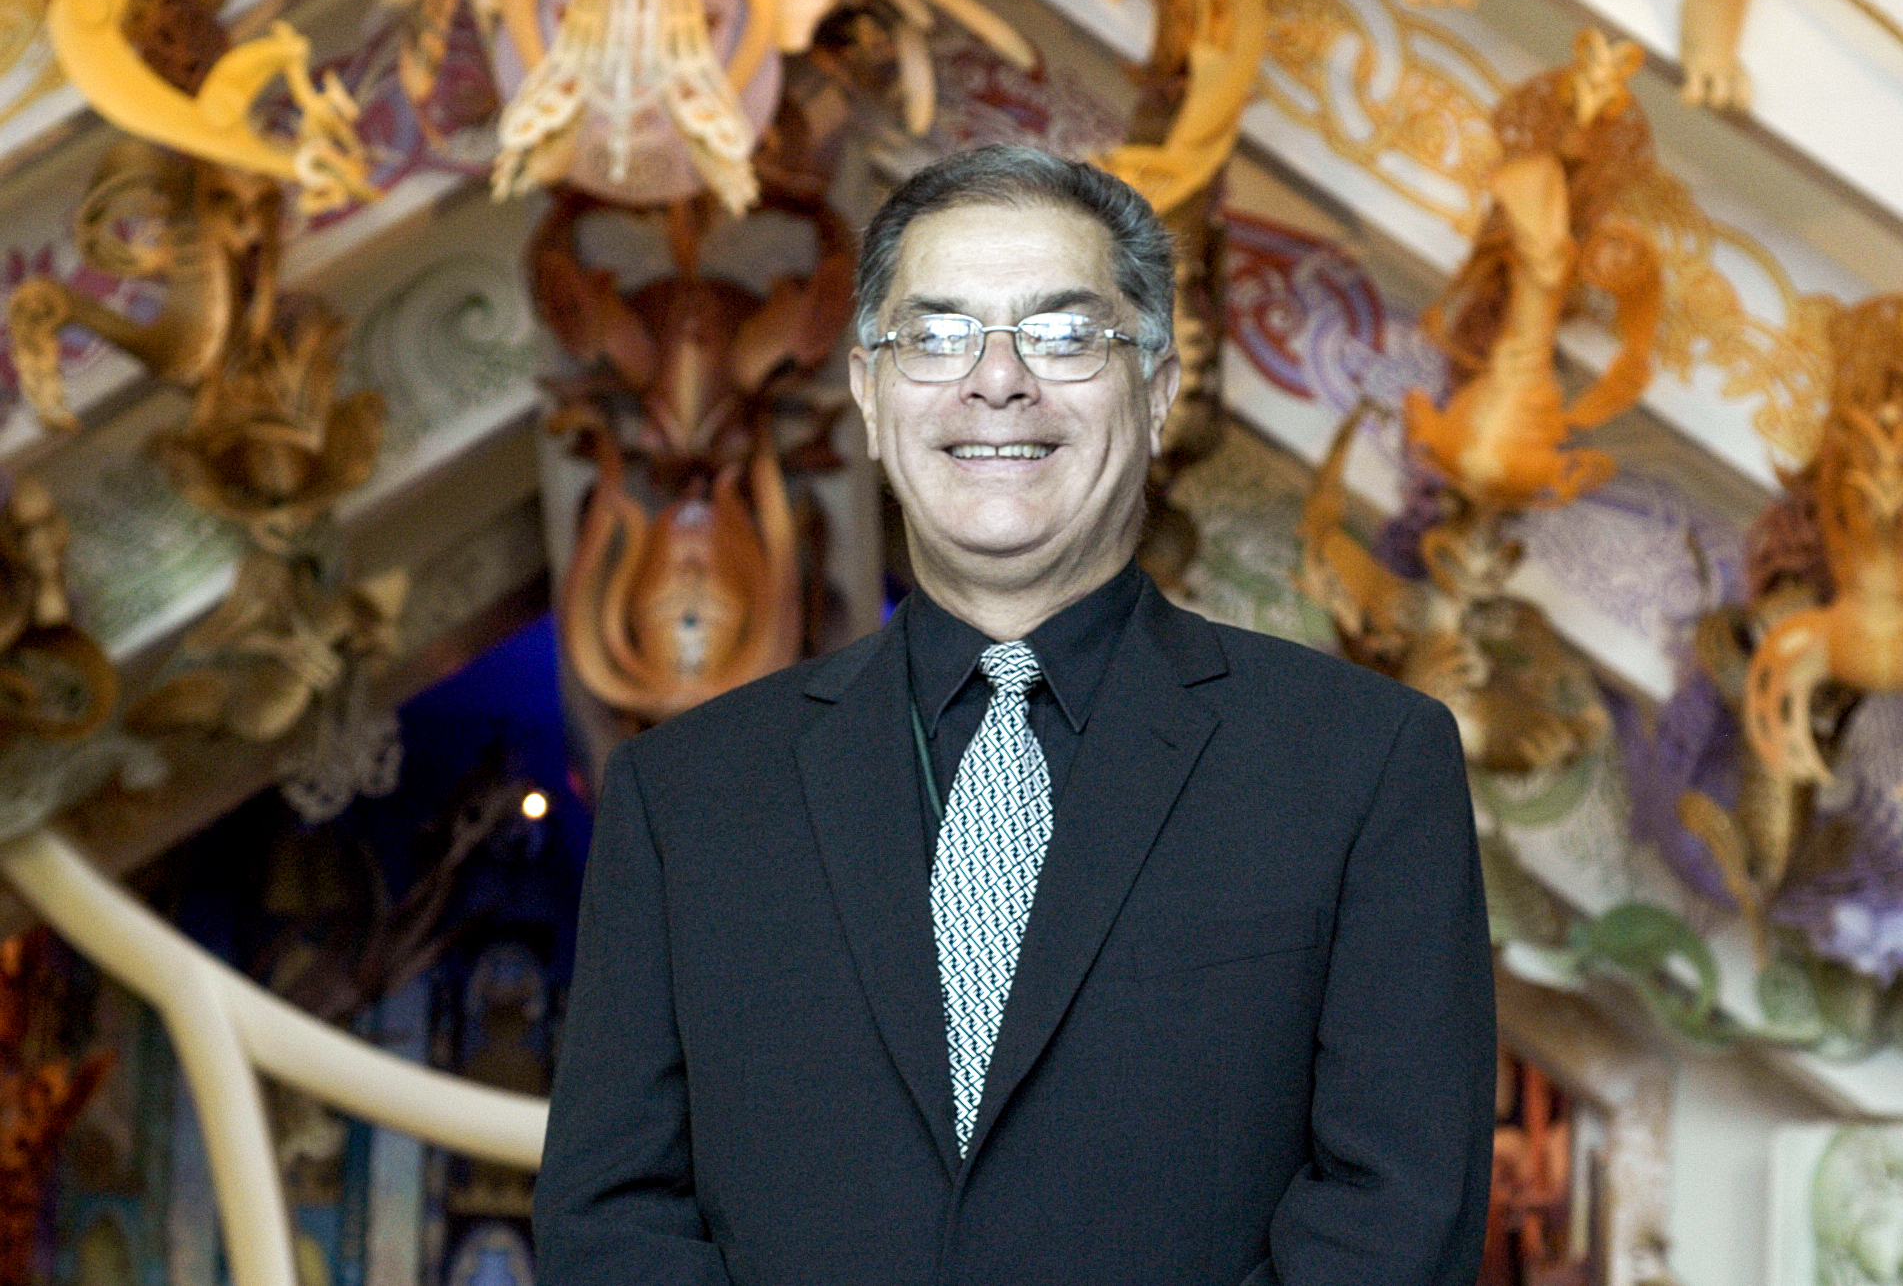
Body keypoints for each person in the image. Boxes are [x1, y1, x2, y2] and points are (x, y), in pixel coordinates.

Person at [532, 145, 1495, 1286]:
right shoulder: (685, 795)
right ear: (868, 393)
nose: (996, 380)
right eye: (934, 336)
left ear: (1157, 390)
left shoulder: (1361, 763)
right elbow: (611, 1220)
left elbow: (1395, 1214)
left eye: (1062, 333)